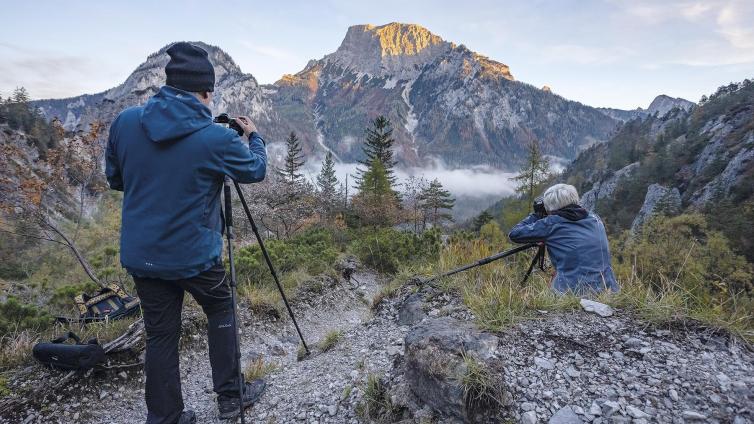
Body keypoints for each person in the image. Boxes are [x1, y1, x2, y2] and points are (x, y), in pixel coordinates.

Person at [106, 42, 268, 424]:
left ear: (169, 84)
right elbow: (256, 171)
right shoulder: (217, 139)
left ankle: (165, 417)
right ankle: (230, 398)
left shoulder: (126, 123)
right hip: (194, 256)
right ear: (207, 92)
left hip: (143, 256)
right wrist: (254, 136)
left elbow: (116, 179)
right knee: (219, 307)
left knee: (161, 335)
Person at [508, 184, 619, 294]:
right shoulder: (594, 218)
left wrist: (537, 215)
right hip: (608, 289)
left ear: (550, 207)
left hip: (572, 292)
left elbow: (514, 234)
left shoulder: (552, 224)